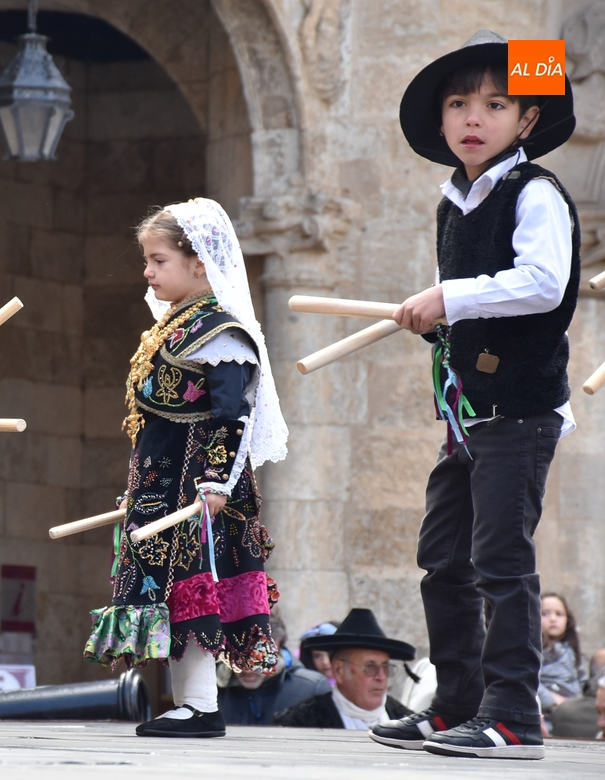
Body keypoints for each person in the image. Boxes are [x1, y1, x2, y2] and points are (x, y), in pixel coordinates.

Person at [371, 30, 579, 761]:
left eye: (496, 103)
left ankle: (514, 718)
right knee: (444, 559)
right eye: (459, 103)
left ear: (527, 121)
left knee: (500, 560)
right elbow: (470, 308)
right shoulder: (453, 202)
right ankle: (455, 704)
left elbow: (544, 285)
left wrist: (447, 298)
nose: (473, 116)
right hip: (467, 414)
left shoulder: (537, 192)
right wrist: (433, 320)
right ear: (440, 121)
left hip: (520, 411)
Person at [83, 199, 288, 739]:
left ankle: (200, 706)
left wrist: (216, 483)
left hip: (197, 487)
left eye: (158, 260)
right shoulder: (173, 327)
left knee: (192, 586)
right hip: (162, 483)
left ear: (199, 263)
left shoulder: (219, 333)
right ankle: (190, 703)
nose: (147, 272)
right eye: (147, 260)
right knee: (170, 592)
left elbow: (229, 415)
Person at [274, 608, 414, 729]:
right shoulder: (299, 724)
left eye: (386, 667)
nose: (381, 677)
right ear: (339, 670)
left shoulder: (407, 723)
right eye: (370, 667)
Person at [219, 613, 331, 725]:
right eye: (238, 655)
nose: (247, 669)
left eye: (257, 656)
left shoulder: (312, 689)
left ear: (278, 644)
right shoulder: (209, 689)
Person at [538, 593, 586, 719]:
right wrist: (552, 700)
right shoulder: (537, 649)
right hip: (549, 712)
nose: (553, 619)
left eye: (559, 614)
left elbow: (580, 678)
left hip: (573, 709)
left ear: (567, 620)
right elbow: (529, 680)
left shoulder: (569, 649)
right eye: (545, 614)